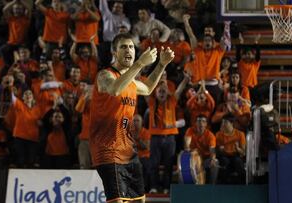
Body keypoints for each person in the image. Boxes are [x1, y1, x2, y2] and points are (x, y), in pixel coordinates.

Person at [89, 33, 174, 203]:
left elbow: (149, 87)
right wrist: (140, 64)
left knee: (139, 201)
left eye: (131, 47)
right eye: (123, 47)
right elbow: (114, 89)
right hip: (107, 150)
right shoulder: (105, 75)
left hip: (128, 151)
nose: (128, 50)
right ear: (114, 52)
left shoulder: (131, 82)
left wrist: (162, 64)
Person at [184, 114, 219, 184]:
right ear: (195, 123)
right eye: (199, 121)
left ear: (206, 124)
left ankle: (212, 186)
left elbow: (212, 149)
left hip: (205, 159)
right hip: (193, 159)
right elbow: (187, 144)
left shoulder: (210, 135)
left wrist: (212, 159)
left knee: (215, 162)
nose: (201, 124)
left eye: (203, 121)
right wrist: (188, 148)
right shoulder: (190, 130)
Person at [216, 114, 246, 184]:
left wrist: (238, 149)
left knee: (237, 161)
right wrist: (220, 150)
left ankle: (243, 183)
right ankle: (224, 183)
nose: (223, 124)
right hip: (224, 156)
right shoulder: (218, 134)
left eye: (225, 122)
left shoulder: (240, 134)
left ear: (232, 123)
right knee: (224, 161)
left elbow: (243, 153)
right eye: (222, 122)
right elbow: (217, 152)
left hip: (236, 155)